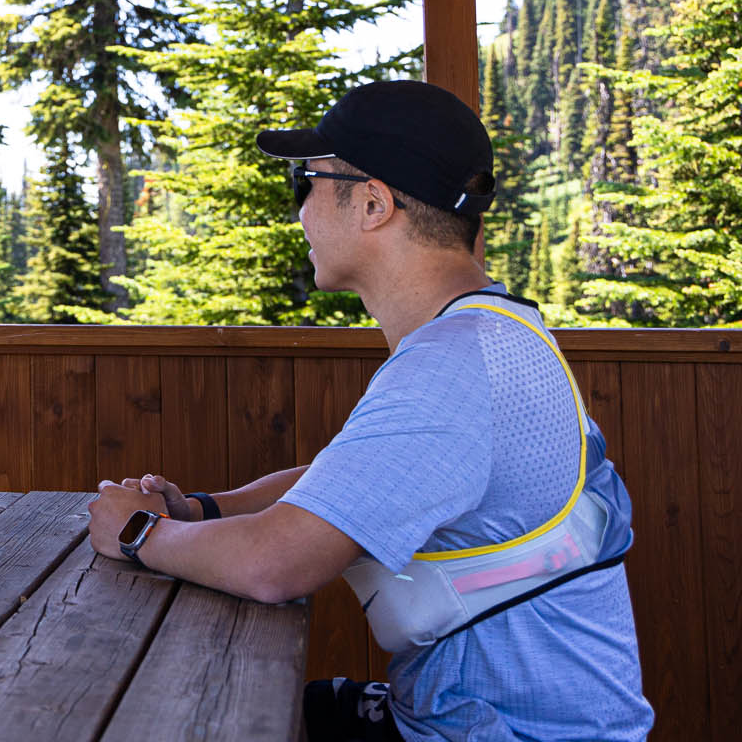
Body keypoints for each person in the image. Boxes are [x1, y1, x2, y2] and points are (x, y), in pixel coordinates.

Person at [87, 80, 651, 741]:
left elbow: (277, 565)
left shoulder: (454, 365)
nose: (300, 211)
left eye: (310, 183)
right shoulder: (494, 334)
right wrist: (204, 510)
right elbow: (345, 481)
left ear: (375, 204)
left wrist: (139, 535)